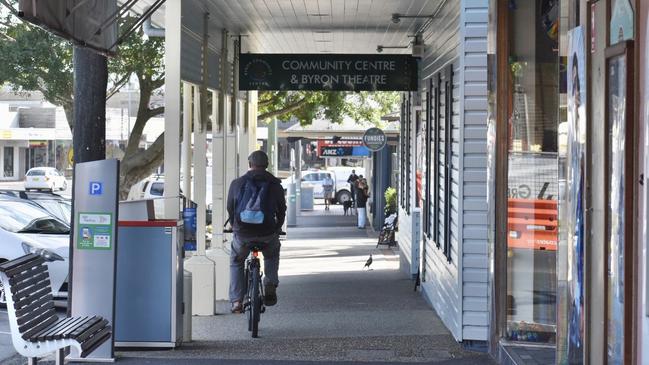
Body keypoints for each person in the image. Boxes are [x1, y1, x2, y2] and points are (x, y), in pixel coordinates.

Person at [227, 150, 287, 314]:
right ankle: (270, 282)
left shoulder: (237, 183)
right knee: (272, 254)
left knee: (236, 261)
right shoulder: (275, 184)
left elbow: (230, 209)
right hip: (267, 234)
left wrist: (235, 226)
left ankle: (237, 301)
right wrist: (277, 228)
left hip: (243, 235)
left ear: (249, 164)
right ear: (267, 165)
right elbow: (282, 210)